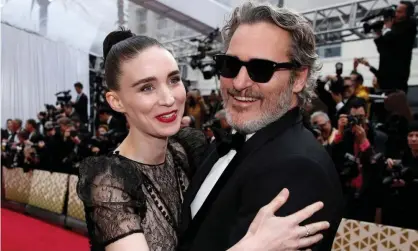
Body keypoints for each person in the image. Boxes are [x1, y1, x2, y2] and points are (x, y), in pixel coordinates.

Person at [77, 29, 330, 251]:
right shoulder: (108, 180)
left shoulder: (189, 146)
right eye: (147, 87)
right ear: (116, 101)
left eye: (174, 80)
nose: (169, 98)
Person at [178, 3, 343, 251]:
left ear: (298, 78)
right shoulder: (232, 140)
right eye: (230, 65)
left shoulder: (298, 169)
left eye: (261, 69)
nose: (239, 82)